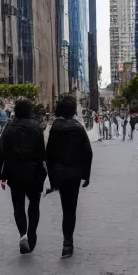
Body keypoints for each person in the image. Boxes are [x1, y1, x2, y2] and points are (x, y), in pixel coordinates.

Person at [0, 99, 47, 254]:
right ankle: (32, 233)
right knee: (34, 205)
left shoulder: (10, 127)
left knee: (18, 205)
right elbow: (42, 153)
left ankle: (23, 235)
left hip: (14, 173)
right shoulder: (36, 127)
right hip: (33, 173)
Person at [45, 96, 92, 258]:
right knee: (70, 209)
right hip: (75, 173)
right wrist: (86, 175)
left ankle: (67, 242)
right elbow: (88, 152)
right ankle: (68, 242)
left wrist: (52, 180)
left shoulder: (55, 128)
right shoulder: (78, 127)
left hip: (60, 173)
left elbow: (48, 154)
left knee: (66, 207)